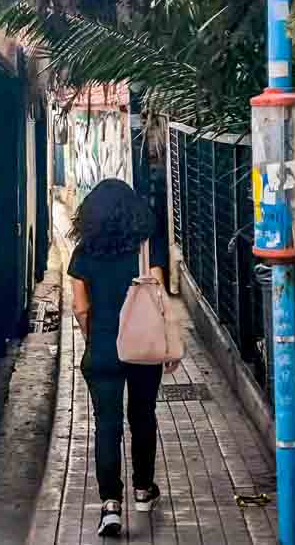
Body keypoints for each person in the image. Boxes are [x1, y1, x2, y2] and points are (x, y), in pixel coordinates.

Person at [67, 178, 178, 538]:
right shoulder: (147, 249)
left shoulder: (84, 253)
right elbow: (159, 295)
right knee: (143, 416)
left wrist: (93, 337)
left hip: (102, 350)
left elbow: (80, 308)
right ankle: (144, 490)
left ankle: (110, 505)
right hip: (143, 349)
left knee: (107, 425)